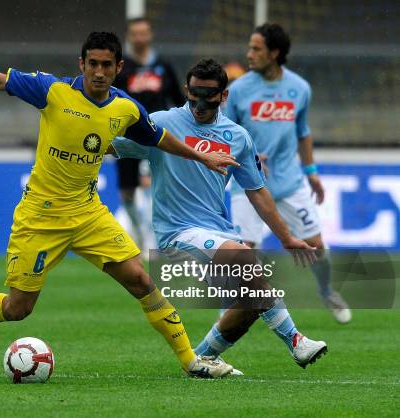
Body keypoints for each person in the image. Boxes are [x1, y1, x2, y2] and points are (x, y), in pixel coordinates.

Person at [0, 32, 239, 378]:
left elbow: (157, 138)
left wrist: (201, 157)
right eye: (93, 64)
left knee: (141, 281)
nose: (99, 72)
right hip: (41, 216)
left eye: (107, 65)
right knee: (18, 308)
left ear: (119, 67)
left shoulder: (126, 108)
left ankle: (190, 361)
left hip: (88, 213)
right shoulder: (54, 91)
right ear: (82, 64)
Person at [111, 59, 327, 373]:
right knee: (246, 260)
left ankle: (199, 359)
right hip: (176, 233)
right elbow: (111, 147)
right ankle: (296, 341)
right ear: (185, 89)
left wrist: (287, 237)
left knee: (253, 301)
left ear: (223, 96)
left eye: (208, 96)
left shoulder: (237, 136)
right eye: (194, 94)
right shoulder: (160, 123)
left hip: (218, 231)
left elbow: (257, 191)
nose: (199, 103)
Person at [223, 23, 351, 323]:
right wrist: (249, 154)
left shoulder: (299, 88)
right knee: (243, 256)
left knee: (316, 247)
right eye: (249, 47)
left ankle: (326, 291)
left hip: (290, 183)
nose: (249, 54)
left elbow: (303, 132)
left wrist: (312, 172)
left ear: (274, 53)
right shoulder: (239, 89)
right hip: (248, 185)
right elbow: (225, 134)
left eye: (256, 48)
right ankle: (230, 316)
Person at [113, 17, 184, 249]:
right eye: (135, 33)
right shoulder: (122, 68)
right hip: (127, 137)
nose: (140, 38)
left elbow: (179, 100)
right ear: (129, 36)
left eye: (144, 33)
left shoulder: (163, 65)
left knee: (156, 189)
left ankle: (155, 242)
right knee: (127, 193)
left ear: (150, 35)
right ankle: (139, 233)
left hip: (158, 138)